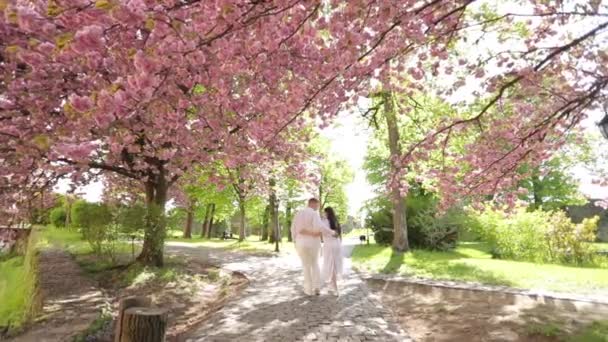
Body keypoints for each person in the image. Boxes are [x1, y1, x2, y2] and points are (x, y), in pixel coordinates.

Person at [291, 198, 336, 296]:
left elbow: (293, 229)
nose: (318, 207)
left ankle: (308, 290)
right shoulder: (314, 213)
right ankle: (317, 288)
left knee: (305, 266)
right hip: (313, 242)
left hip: (300, 243)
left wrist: (295, 241)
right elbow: (319, 227)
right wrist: (331, 232)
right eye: (317, 205)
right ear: (314, 204)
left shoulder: (298, 213)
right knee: (315, 264)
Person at [320, 207, 343, 296]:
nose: (323, 214)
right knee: (335, 265)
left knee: (331, 265)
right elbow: (338, 234)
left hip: (329, 245)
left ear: (327, 213)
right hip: (337, 244)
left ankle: (335, 287)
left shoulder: (324, 222)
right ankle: (332, 285)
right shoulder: (336, 221)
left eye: (324, 213)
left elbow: (323, 232)